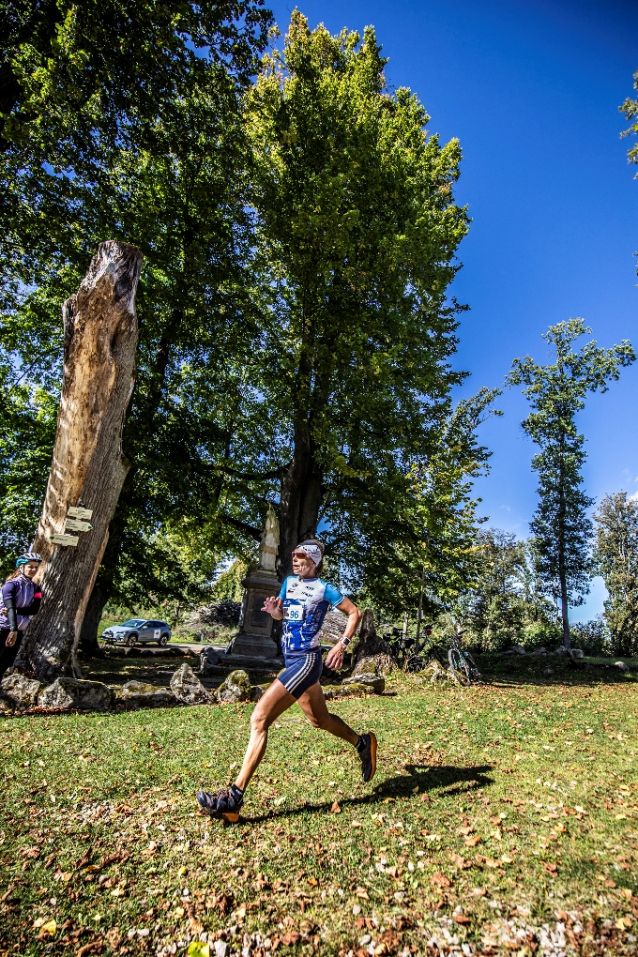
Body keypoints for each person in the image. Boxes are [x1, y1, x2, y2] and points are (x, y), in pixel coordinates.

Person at [197, 540, 377, 822]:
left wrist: (342, 644)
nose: (295, 559)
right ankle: (362, 743)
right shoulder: (289, 583)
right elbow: (286, 615)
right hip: (291, 660)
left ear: (314, 560)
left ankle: (233, 798)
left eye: (301, 555)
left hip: (307, 661)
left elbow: (354, 613)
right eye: (294, 555)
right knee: (321, 720)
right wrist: (274, 612)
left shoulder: (324, 589)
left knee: (259, 718)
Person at [0, 552, 43, 679]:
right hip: (4, 629)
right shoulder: (11, 585)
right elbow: (10, 607)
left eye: (36, 567)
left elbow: (34, 610)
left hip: (18, 631)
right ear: (21, 567)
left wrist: (16, 611)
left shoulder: (36, 589)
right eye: (30, 566)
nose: (33, 570)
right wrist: (13, 630)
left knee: (4, 664)